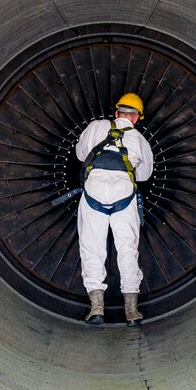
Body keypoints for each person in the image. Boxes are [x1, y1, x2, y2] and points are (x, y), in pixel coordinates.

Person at [75, 93, 154, 326]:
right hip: (124, 198)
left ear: (117, 112)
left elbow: (81, 155)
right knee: (127, 249)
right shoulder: (140, 140)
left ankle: (96, 308)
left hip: (93, 196)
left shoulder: (95, 127)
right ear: (137, 118)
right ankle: (131, 311)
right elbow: (144, 175)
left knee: (92, 248)